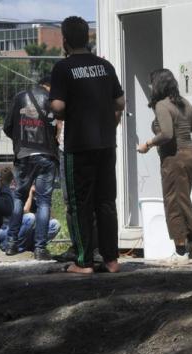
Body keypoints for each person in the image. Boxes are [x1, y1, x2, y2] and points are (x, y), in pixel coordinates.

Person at [49, 15, 125, 275]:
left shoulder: (63, 68)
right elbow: (120, 103)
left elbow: (58, 107)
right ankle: (112, 259)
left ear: (65, 40)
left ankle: (83, 262)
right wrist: (109, 125)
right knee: (106, 202)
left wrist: (58, 109)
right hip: (106, 144)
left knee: (80, 203)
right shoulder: (105, 66)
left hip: (78, 146)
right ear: (88, 37)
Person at [137, 68, 192, 259]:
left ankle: (185, 246)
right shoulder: (185, 103)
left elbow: (167, 134)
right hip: (191, 157)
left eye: (152, 82)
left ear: (158, 84)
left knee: (173, 203)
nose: (150, 86)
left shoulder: (162, 105)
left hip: (175, 159)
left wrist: (147, 144)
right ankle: (190, 240)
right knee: (182, 199)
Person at [2, 73, 60, 260]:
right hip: (46, 154)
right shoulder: (51, 100)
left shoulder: (20, 97)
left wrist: (20, 142)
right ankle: (40, 249)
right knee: (44, 202)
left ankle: (11, 244)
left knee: (18, 197)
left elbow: (7, 127)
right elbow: (55, 128)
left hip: (24, 155)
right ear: (48, 86)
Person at [0, 170, 61, 254]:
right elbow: (24, 211)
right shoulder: (13, 193)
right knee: (29, 218)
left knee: (55, 224)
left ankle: (33, 247)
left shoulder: (34, 196)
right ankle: (7, 246)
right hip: (5, 231)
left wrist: (42, 199)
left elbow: (51, 217)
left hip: (23, 233)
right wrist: (30, 194)